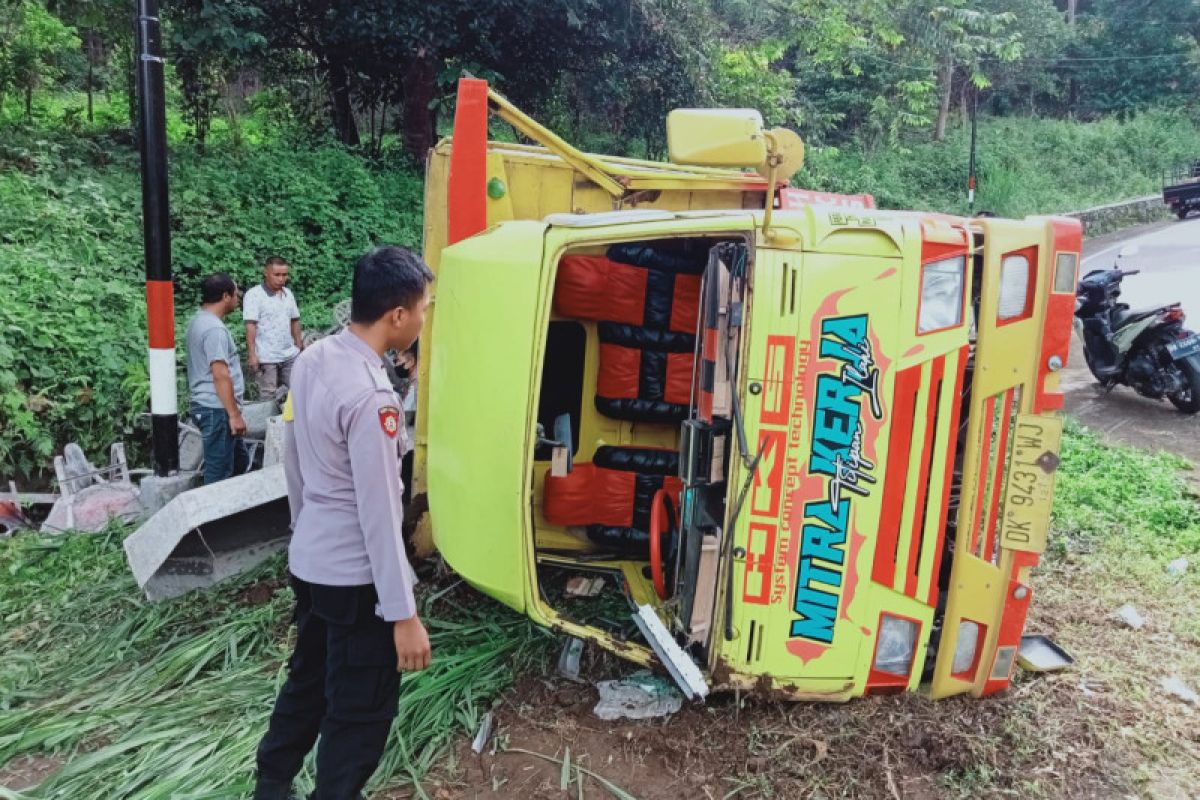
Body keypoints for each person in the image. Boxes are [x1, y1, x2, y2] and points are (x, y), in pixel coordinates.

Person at [254, 246, 435, 800]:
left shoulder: (313, 359)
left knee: (308, 683)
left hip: (311, 563)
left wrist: (304, 534)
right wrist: (402, 612)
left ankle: (272, 783)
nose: (426, 318)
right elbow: (379, 511)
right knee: (359, 710)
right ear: (397, 316)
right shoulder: (371, 397)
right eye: (424, 308)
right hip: (356, 583)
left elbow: (293, 460)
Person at [185, 273, 248, 485]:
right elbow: (220, 374)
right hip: (217, 408)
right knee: (219, 472)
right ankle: (213, 516)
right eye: (236, 293)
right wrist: (234, 415)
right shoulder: (214, 329)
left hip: (213, 407)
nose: (238, 298)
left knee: (240, 462)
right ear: (226, 296)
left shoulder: (198, 320)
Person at [244, 256, 303, 401]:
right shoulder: (254, 295)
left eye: (284, 275)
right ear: (266, 273)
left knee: (298, 390)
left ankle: (293, 422)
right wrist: (252, 355)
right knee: (268, 395)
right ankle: (268, 422)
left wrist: (299, 344)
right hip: (266, 356)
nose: (281, 279)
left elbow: (294, 320)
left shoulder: (288, 294)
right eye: (277, 275)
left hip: (289, 354)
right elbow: (250, 325)